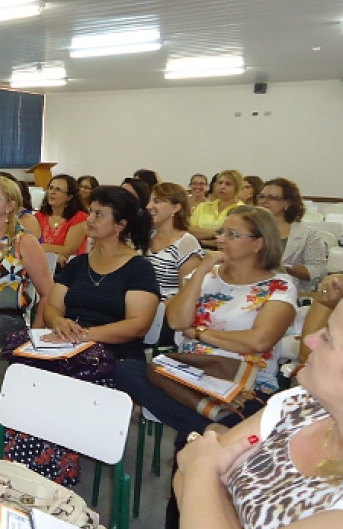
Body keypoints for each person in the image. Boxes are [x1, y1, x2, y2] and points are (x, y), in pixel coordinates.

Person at [116, 206, 297, 445]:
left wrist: (200, 333)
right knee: (126, 369)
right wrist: (201, 270)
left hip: (244, 382)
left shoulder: (280, 287)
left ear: (258, 243)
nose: (220, 240)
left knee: (190, 444)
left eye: (232, 235)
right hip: (192, 371)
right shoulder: (205, 276)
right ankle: (208, 428)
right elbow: (177, 321)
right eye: (222, 232)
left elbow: (259, 341)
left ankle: (198, 432)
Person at [173, 298, 343, 528]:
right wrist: (200, 479)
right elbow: (182, 475)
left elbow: (193, 467)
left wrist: (202, 468)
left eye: (328, 338)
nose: (310, 340)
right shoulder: (299, 403)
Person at [43, 186, 159, 363]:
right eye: (90, 212)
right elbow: (52, 306)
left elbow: (138, 325)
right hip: (70, 347)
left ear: (120, 225)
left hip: (116, 356)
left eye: (98, 214)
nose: (89, 219)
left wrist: (84, 335)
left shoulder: (139, 269)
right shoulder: (78, 263)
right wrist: (58, 321)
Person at [0, 175, 54, 348]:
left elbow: (47, 293)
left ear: (10, 206)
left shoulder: (23, 241)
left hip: (6, 318)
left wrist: (36, 335)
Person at [256, 177, 327, 293]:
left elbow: (318, 272)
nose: (264, 201)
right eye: (262, 196)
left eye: (272, 198)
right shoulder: (249, 228)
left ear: (287, 203)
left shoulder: (308, 234)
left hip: (290, 292)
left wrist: (285, 267)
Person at [145, 182, 204, 300]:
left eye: (156, 201)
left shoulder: (186, 243)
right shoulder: (148, 237)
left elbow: (187, 294)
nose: (148, 206)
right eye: (150, 201)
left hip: (166, 311)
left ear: (176, 207)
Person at [34, 174, 89, 265]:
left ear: (69, 197)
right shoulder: (39, 216)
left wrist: (38, 247)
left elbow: (68, 250)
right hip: (41, 264)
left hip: (69, 267)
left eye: (58, 189)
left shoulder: (80, 218)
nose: (52, 192)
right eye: (51, 188)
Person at [190, 169, 244, 246]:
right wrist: (218, 232)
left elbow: (233, 239)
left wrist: (203, 240)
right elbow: (191, 232)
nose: (222, 186)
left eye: (228, 184)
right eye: (220, 183)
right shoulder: (203, 206)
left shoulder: (242, 210)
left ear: (237, 188)